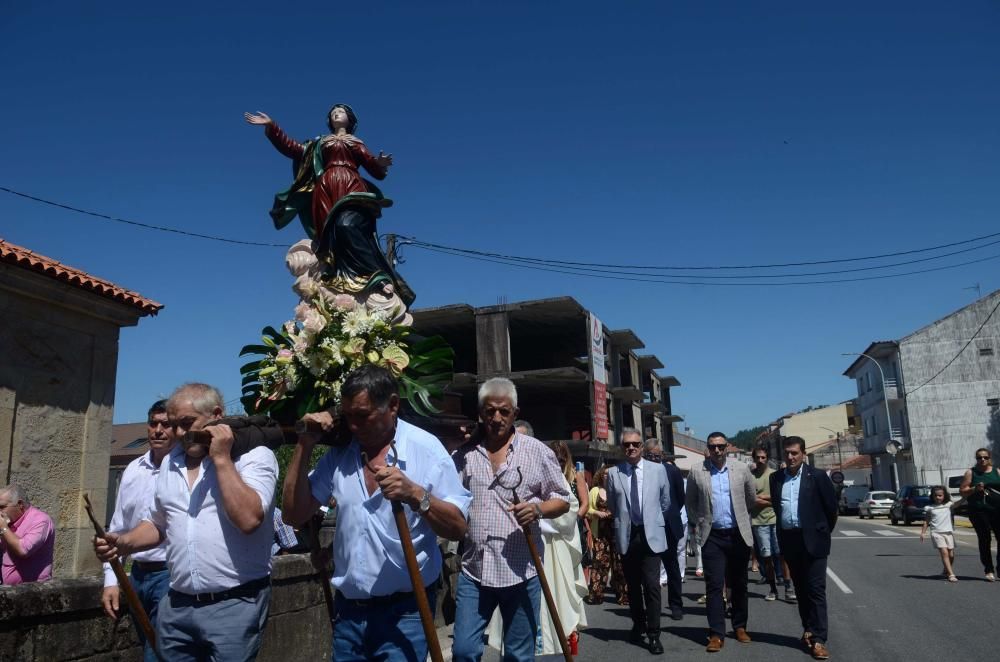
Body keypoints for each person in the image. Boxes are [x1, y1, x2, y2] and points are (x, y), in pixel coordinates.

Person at [284, 364, 471, 662]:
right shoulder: (339, 454)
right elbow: (293, 515)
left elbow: (458, 527)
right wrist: (304, 445)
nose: (354, 426)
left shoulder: (426, 449)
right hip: (349, 615)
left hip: (407, 613)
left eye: (363, 415)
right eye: (348, 417)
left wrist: (416, 495)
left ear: (393, 405)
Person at [93, 383, 278, 661]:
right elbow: (157, 523)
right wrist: (123, 542)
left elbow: (249, 519)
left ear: (216, 415)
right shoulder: (171, 462)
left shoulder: (253, 456)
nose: (179, 433)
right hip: (176, 604)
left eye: (186, 423)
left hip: (234, 604)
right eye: (175, 425)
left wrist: (221, 458)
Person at [245, 106, 414, 306]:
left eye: (341, 111)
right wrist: (273, 127)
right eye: (333, 112)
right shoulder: (319, 143)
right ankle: (335, 278)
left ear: (349, 119)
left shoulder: (356, 142)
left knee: (347, 226)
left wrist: (380, 163)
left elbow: (374, 169)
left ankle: (377, 276)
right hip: (325, 190)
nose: (336, 113)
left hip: (352, 187)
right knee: (331, 238)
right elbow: (293, 149)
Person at [451, 378, 570, 662]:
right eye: (490, 411)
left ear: (515, 413)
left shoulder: (537, 451)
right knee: (464, 651)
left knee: (518, 655)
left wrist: (538, 509)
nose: (496, 418)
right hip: (475, 570)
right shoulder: (464, 455)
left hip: (522, 570)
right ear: (480, 412)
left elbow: (563, 498)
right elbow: (450, 499)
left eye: (504, 411)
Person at [100, 399, 176, 661]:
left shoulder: (184, 470)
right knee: (148, 644)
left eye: (166, 424)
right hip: (138, 575)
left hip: (170, 575)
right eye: (153, 423)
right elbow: (119, 528)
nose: (158, 430)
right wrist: (112, 580)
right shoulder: (133, 470)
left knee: (158, 652)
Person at [686, 432, 756, 653]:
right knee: (714, 586)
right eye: (712, 447)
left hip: (737, 534)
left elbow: (750, 498)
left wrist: (743, 519)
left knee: (739, 583)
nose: (717, 451)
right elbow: (690, 503)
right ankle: (716, 633)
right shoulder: (697, 471)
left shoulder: (741, 469)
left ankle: (740, 626)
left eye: (721, 447)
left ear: (727, 447)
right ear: (707, 448)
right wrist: (699, 521)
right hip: (712, 536)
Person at [770, 436, 837, 661]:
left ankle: (819, 639)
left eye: (794, 453)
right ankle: (808, 628)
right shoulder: (776, 478)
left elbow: (831, 509)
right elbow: (779, 510)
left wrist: (822, 532)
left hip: (814, 540)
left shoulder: (817, 477)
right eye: (787, 453)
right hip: (790, 540)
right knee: (800, 589)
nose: (790, 457)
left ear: (803, 454)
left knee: (816, 589)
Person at [606, 428, 671, 655]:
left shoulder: (657, 470)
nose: (631, 448)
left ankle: (654, 634)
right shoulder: (614, 473)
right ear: (622, 448)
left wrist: (649, 519)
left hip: (650, 534)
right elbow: (613, 506)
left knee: (652, 585)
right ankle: (638, 624)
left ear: (642, 446)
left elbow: (665, 501)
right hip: (627, 535)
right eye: (626, 445)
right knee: (632, 586)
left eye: (635, 444)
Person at [644, 438, 686, 621]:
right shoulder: (642, 473)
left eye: (657, 455)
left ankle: (676, 604)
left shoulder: (672, 471)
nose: (654, 458)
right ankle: (652, 607)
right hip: (648, 526)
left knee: (672, 566)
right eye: (650, 455)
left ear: (662, 455)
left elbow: (680, 497)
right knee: (650, 570)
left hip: (669, 525)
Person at [749, 445, 788, 602]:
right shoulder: (750, 476)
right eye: (757, 457)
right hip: (758, 522)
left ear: (767, 458)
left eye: (763, 457)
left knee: (782, 554)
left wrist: (761, 498)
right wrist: (769, 498)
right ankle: (772, 589)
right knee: (767, 556)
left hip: (776, 520)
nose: (760, 460)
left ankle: (788, 585)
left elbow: (780, 498)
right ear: (754, 458)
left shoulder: (775, 475)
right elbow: (750, 500)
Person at [586, 466, 627, 605]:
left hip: (617, 533)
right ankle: (596, 595)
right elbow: (587, 509)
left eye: (609, 474)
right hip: (601, 532)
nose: (606, 476)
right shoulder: (595, 491)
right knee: (599, 564)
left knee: (619, 565)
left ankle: (623, 596)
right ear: (600, 475)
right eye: (604, 474)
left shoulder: (618, 490)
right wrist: (597, 513)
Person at [959, 447, 1000, 581]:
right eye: (979, 458)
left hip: (997, 510)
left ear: (989, 458)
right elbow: (963, 491)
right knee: (985, 539)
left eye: (985, 457)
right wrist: (974, 488)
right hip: (979, 511)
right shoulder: (971, 473)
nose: (982, 460)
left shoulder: (997, 472)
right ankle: (988, 569)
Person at [0, 484, 54, 585]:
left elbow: (23, 550)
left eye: (2, 507)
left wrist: (3, 527)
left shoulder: (41, 520)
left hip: (33, 592)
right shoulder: (9, 522)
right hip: (9, 591)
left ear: (20, 504)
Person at [920, 486, 961, 582]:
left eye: (940, 495)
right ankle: (951, 574)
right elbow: (926, 521)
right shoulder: (930, 508)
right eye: (935, 496)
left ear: (944, 496)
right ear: (932, 497)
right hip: (936, 533)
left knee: (951, 555)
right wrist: (923, 533)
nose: (938, 497)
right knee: (944, 552)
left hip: (948, 532)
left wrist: (966, 496)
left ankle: (946, 570)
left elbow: (958, 503)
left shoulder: (948, 505)